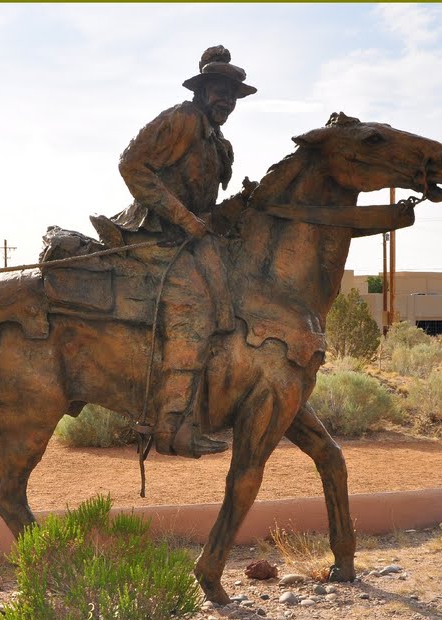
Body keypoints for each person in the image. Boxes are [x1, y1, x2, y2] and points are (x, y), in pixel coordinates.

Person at [91, 45, 256, 458]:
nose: (228, 100)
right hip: (154, 235)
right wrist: (182, 218)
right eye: (220, 90)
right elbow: (132, 165)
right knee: (193, 311)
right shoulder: (182, 120)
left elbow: (208, 213)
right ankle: (170, 427)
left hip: (191, 240)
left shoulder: (219, 142)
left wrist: (242, 204)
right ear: (202, 89)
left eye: (233, 94)